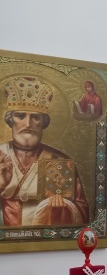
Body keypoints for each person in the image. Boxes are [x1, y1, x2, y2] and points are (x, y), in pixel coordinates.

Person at [0, 76, 89, 226]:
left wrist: (63, 209)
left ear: (43, 123)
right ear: (10, 120)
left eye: (35, 117)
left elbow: (82, 211)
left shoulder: (60, 160)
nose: (27, 124)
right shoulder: (1, 154)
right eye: (20, 116)